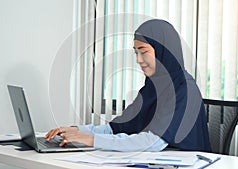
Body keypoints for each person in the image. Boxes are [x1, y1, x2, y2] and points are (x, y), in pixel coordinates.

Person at [45, 19, 211, 152]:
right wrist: (76, 131)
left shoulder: (185, 89)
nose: (138, 60)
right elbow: (114, 128)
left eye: (143, 51)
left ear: (163, 50)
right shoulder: (152, 86)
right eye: (135, 52)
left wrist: (90, 140)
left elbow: (153, 142)